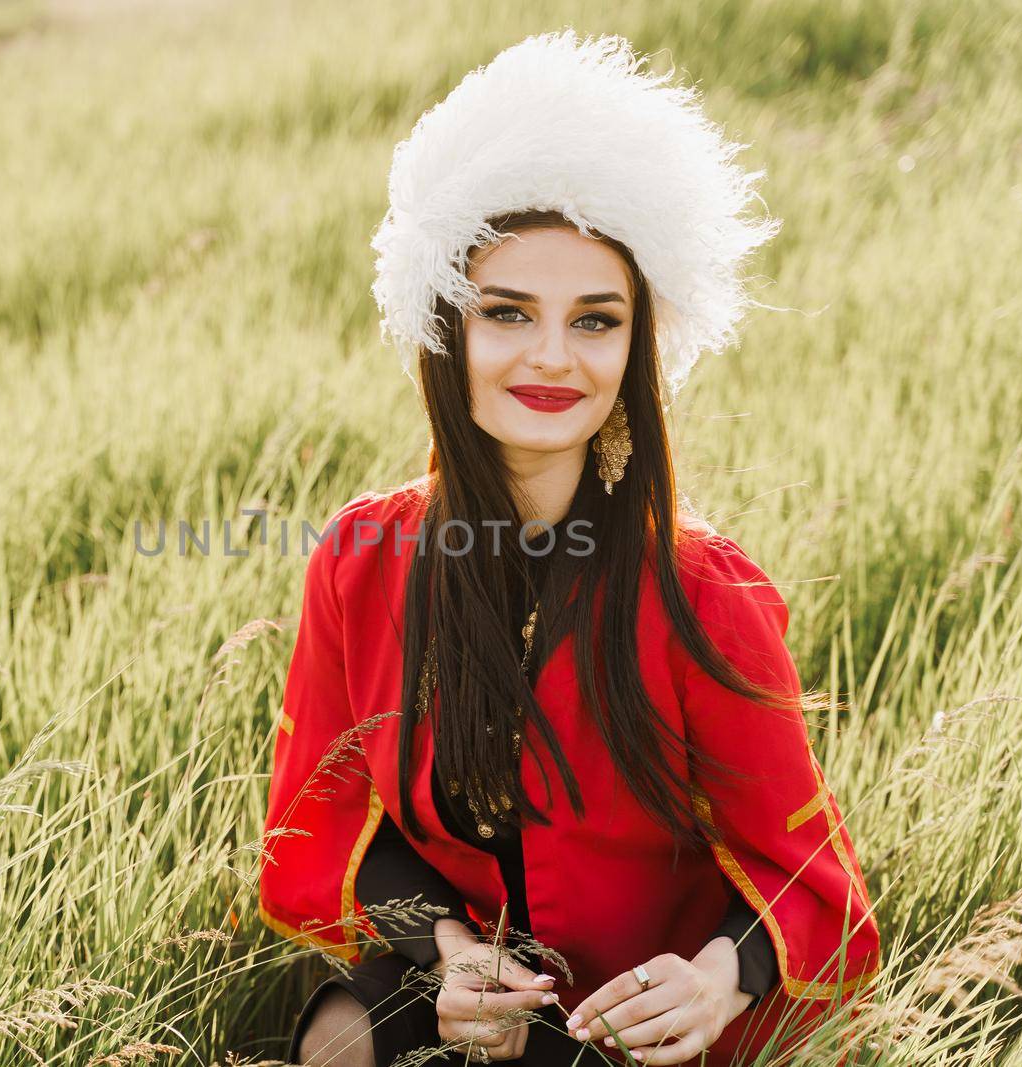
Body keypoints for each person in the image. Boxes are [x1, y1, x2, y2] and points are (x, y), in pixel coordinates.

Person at [258, 29, 880, 1067]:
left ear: (638, 346)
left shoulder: (701, 587)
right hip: (465, 979)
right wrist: (448, 951)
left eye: (595, 321)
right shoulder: (360, 555)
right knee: (338, 1033)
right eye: (507, 313)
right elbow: (324, 824)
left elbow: (806, 868)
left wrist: (715, 980)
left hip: (640, 1010)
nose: (552, 356)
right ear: (446, 329)